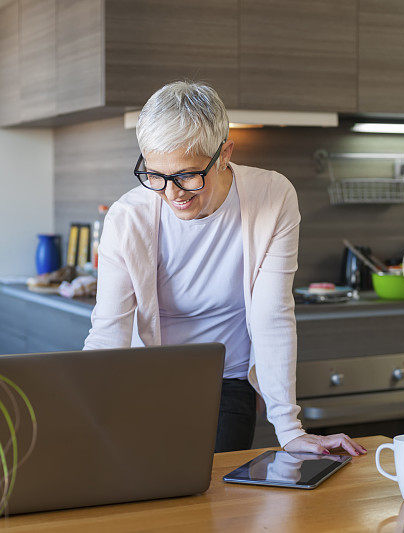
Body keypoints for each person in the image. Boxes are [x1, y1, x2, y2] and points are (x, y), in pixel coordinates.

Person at [83, 81, 367, 457]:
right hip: (146, 382)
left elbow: (272, 315)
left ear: (224, 154)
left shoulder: (272, 198)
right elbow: (108, 333)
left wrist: (289, 428)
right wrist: (80, 420)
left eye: (187, 175)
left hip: (227, 382)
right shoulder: (127, 219)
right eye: (156, 176)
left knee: (214, 502)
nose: (173, 194)